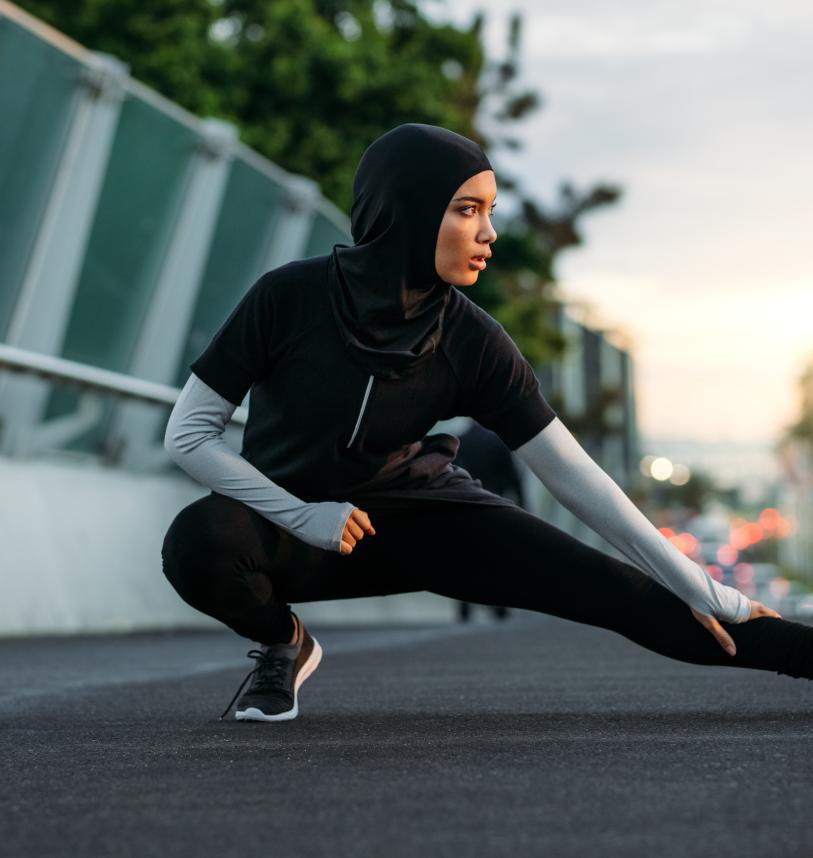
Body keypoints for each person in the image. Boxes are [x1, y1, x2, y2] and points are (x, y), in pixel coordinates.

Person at [161, 123, 811, 724]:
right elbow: (188, 433)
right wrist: (300, 515)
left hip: (429, 519)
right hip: (298, 530)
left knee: (637, 599)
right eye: (466, 210)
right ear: (406, 210)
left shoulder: (473, 340)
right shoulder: (287, 297)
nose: (488, 234)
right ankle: (284, 644)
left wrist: (706, 588)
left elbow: (573, 476)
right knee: (198, 543)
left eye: (489, 212)